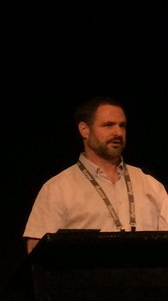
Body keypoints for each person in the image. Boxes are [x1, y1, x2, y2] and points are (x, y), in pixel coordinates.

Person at [24, 95, 168, 252]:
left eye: (122, 125)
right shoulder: (58, 188)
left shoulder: (151, 185)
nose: (118, 132)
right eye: (108, 125)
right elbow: (36, 252)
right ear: (84, 130)